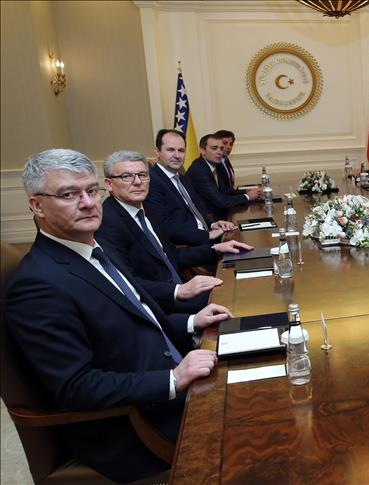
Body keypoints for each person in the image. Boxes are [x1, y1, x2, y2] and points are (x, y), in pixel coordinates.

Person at [5, 149, 232, 483]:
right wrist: (172, 379)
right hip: (139, 421)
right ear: (36, 205)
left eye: (91, 190)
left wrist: (191, 322)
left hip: (175, 373)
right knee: (262, 426)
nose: (87, 203)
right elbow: (77, 386)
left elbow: (137, 322)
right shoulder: (38, 284)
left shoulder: (97, 248)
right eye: (69, 194)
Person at [97, 150, 253, 313]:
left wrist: (215, 249)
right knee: (239, 300)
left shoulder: (146, 209)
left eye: (142, 175)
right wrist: (179, 290)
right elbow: (127, 284)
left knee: (244, 286)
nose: (137, 182)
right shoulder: (107, 222)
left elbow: (172, 255)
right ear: (109, 184)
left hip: (179, 288)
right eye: (126, 176)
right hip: (160, 306)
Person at [146, 129, 236, 246]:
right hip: (189, 246)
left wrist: (213, 224)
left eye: (181, 150)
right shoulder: (152, 181)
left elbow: (197, 210)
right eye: (171, 150)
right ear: (157, 152)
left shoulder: (182, 178)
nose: (177, 155)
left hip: (205, 237)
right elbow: (165, 227)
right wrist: (207, 235)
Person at [186, 133, 260, 220]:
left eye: (221, 148)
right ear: (203, 150)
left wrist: (247, 191)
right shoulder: (199, 170)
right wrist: (247, 196)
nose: (219, 152)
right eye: (214, 148)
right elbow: (220, 201)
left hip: (216, 214)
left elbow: (225, 191)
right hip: (207, 219)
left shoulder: (213, 165)